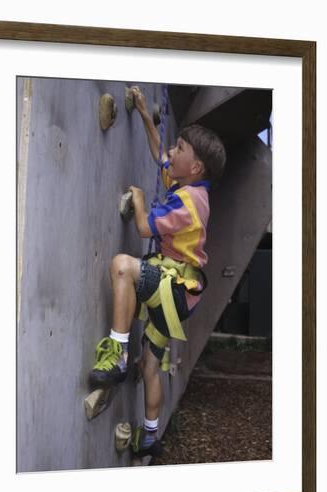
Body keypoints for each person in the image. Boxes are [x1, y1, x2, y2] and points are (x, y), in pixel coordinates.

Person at [89, 86, 226, 458]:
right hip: (183, 291)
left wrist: (137, 199)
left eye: (180, 149)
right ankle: (149, 435)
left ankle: (116, 355)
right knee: (151, 365)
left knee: (122, 267)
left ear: (195, 166)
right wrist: (148, 119)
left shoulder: (188, 203)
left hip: (175, 288)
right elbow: (157, 156)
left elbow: (145, 228)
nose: (172, 151)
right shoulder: (190, 186)